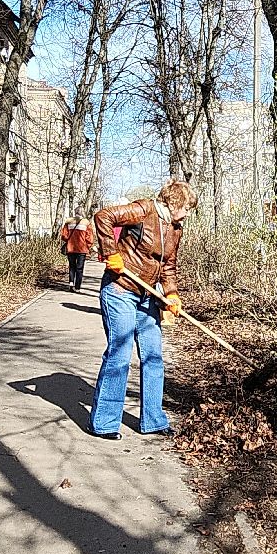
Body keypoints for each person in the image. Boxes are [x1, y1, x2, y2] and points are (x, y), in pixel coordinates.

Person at [90, 180, 197, 440]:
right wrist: (110, 252)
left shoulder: (175, 229)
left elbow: (168, 265)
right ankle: (104, 422)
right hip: (120, 290)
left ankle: (153, 420)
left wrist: (171, 293)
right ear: (174, 203)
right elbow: (103, 216)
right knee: (120, 354)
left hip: (148, 295)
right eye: (186, 208)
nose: (187, 214)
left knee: (153, 356)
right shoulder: (144, 210)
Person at [61, 207, 94, 292]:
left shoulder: (68, 221)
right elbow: (89, 237)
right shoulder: (86, 222)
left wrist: (69, 241)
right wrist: (88, 246)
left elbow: (64, 235)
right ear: (82, 212)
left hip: (71, 248)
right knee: (80, 268)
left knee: (72, 267)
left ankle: (71, 283)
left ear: (75, 212)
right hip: (81, 249)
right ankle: (77, 287)